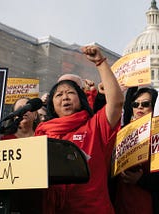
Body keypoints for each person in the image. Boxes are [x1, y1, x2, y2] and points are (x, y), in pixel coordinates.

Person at [35, 45, 124, 213]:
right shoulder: (41, 134)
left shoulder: (95, 126)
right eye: (59, 95)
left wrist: (100, 62)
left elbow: (116, 102)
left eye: (70, 93)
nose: (65, 97)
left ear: (80, 98)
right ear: (52, 105)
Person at [114, 87, 159, 214]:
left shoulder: (157, 135)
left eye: (145, 104)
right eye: (135, 104)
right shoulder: (124, 132)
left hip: (147, 203)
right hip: (121, 201)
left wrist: (141, 180)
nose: (140, 107)